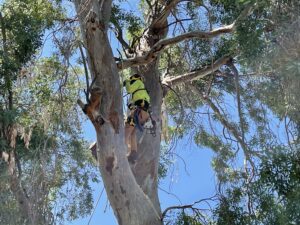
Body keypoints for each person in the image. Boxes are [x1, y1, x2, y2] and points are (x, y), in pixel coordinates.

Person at [123, 74, 150, 164]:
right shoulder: (143, 92)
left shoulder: (138, 82)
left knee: (127, 130)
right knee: (133, 134)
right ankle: (133, 154)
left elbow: (129, 89)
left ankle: (121, 149)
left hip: (138, 112)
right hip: (143, 116)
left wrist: (126, 82)